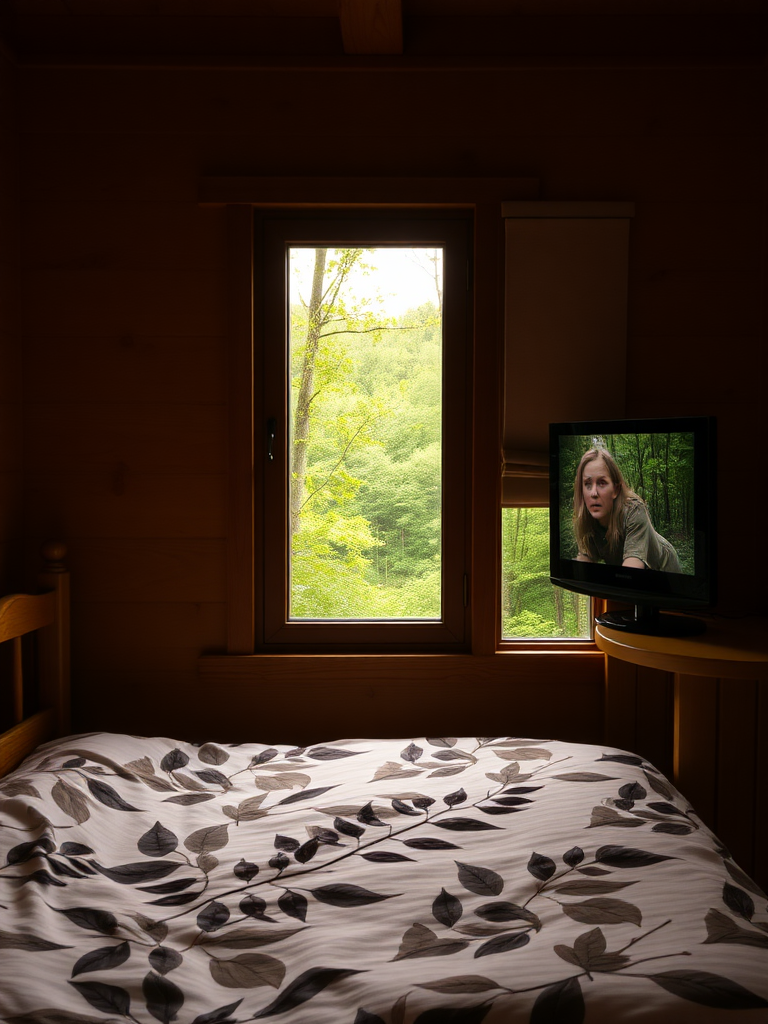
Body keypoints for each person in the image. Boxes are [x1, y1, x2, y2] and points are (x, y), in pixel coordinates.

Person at [572, 447, 682, 572]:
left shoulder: (634, 510)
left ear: (616, 489)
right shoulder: (585, 520)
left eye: (602, 483)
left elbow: (632, 566)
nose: (593, 493)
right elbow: (585, 569)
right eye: (587, 484)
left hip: (662, 566)